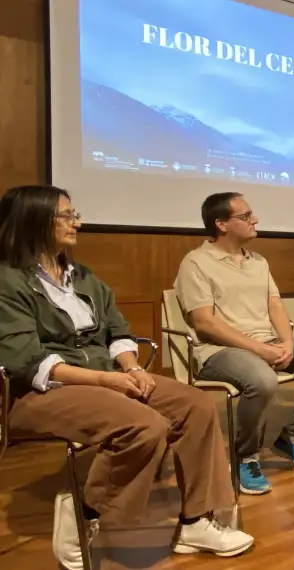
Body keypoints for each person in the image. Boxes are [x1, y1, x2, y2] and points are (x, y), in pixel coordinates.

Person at [0, 185, 253, 569]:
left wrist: (131, 368)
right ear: (35, 220)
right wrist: (107, 382)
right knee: (144, 426)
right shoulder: (8, 282)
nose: (78, 222)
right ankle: (84, 515)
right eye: (67, 216)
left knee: (196, 405)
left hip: (105, 376)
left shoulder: (82, 277)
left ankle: (196, 521)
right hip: (42, 390)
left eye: (74, 214)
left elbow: (118, 331)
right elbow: (26, 361)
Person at [174, 192, 294, 495]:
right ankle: (246, 456)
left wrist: (288, 341)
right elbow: (204, 322)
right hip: (219, 350)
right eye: (246, 215)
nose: (256, 220)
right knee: (264, 381)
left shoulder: (258, 261)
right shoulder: (196, 263)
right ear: (222, 224)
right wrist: (259, 350)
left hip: (267, 342)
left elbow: (274, 305)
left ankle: (292, 435)